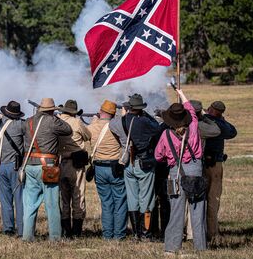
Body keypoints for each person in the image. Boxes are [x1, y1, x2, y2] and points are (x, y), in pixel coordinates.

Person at [155, 89, 207, 253]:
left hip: (175, 174)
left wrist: (170, 159)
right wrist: (181, 92)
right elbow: (191, 110)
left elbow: (158, 156)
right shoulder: (193, 125)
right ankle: (200, 248)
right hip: (195, 171)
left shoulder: (165, 134)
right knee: (198, 212)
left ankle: (171, 248)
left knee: (176, 213)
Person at [109, 93, 162, 240]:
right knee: (146, 198)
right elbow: (157, 128)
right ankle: (145, 234)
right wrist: (147, 115)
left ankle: (136, 233)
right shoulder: (144, 121)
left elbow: (110, 125)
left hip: (128, 164)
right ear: (140, 108)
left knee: (132, 198)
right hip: (143, 162)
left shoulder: (122, 121)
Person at [22, 98, 72, 242]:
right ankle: (55, 237)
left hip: (29, 165)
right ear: (52, 110)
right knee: (52, 204)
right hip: (47, 166)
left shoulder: (28, 121)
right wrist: (55, 116)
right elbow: (68, 129)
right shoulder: (53, 121)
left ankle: (27, 236)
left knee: (30, 204)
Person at [87, 100, 127, 240]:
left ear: (100, 111)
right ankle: (119, 235)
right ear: (113, 113)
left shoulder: (92, 127)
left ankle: (107, 234)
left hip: (99, 168)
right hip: (115, 167)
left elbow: (87, 134)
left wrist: (93, 122)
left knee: (106, 203)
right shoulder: (116, 124)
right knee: (120, 202)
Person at [184, 100, 221, 240]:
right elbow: (217, 130)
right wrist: (205, 117)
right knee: (196, 200)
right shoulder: (200, 126)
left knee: (182, 201)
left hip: (179, 166)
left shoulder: (177, 124)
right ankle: (193, 233)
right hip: (196, 166)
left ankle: (183, 231)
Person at [0, 101, 26, 237]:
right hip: (15, 166)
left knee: (5, 201)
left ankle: (8, 229)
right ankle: (22, 231)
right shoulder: (20, 125)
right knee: (20, 200)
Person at [203, 101, 237, 240]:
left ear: (211, 109)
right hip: (215, 165)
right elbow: (233, 131)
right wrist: (222, 120)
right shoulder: (221, 125)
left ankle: (205, 231)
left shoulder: (206, 121)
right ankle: (212, 232)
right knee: (213, 198)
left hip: (203, 164)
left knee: (205, 199)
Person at [58, 99, 91, 238]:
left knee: (64, 200)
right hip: (76, 165)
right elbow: (88, 136)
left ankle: (66, 231)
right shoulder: (77, 122)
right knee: (78, 197)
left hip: (60, 163)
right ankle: (77, 232)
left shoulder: (57, 121)